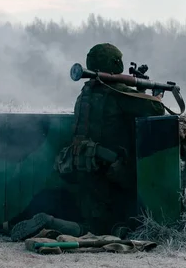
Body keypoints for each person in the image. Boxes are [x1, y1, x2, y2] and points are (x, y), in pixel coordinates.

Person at [9, 43, 166, 241]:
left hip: (82, 165)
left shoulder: (86, 93)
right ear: (115, 64)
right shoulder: (117, 92)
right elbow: (155, 110)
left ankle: (35, 220)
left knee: (90, 213)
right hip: (110, 169)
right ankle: (49, 222)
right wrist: (155, 96)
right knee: (100, 230)